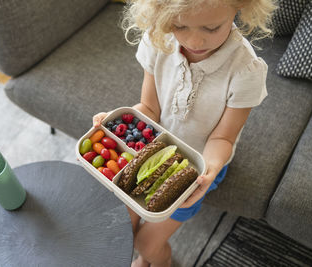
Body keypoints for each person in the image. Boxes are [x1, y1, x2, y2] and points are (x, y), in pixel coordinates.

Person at [93, 0, 276, 266]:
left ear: (240, 7)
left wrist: (209, 171)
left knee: (147, 244)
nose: (195, 40)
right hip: (152, 149)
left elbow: (222, 138)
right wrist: (115, 124)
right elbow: (148, 109)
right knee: (122, 226)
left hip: (197, 165)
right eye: (179, 25)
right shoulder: (159, 39)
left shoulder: (245, 70)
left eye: (211, 27)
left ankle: (159, 261)